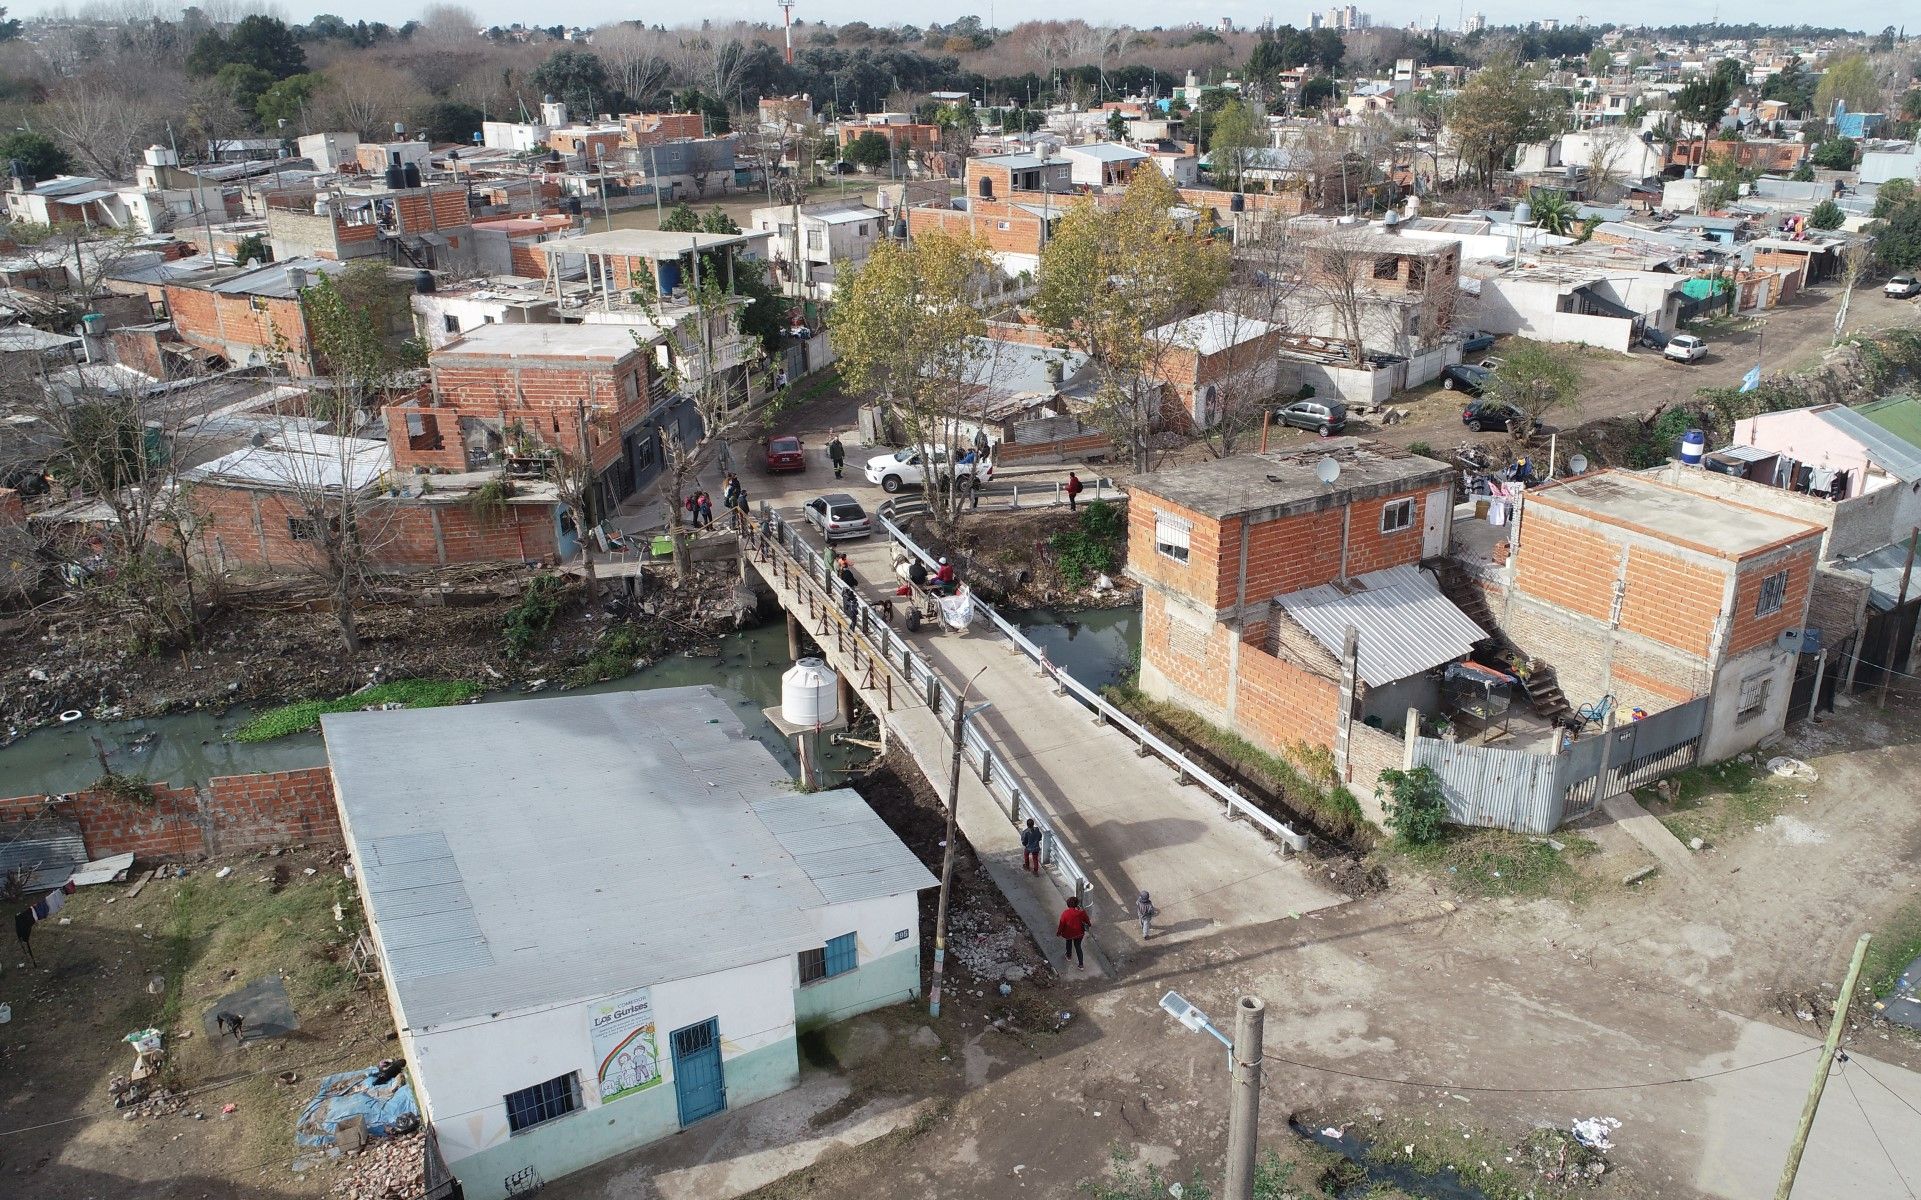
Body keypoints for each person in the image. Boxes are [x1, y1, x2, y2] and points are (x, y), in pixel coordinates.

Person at [1056, 897, 1091, 969]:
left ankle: (1069, 956)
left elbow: (1061, 925)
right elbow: (1088, 921)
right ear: (1076, 904)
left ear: (1068, 904)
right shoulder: (1081, 912)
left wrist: (1059, 933)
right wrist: (1089, 924)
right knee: (1078, 947)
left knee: (1068, 942)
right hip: (1079, 933)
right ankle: (1081, 965)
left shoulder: (1065, 913)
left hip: (1068, 933)